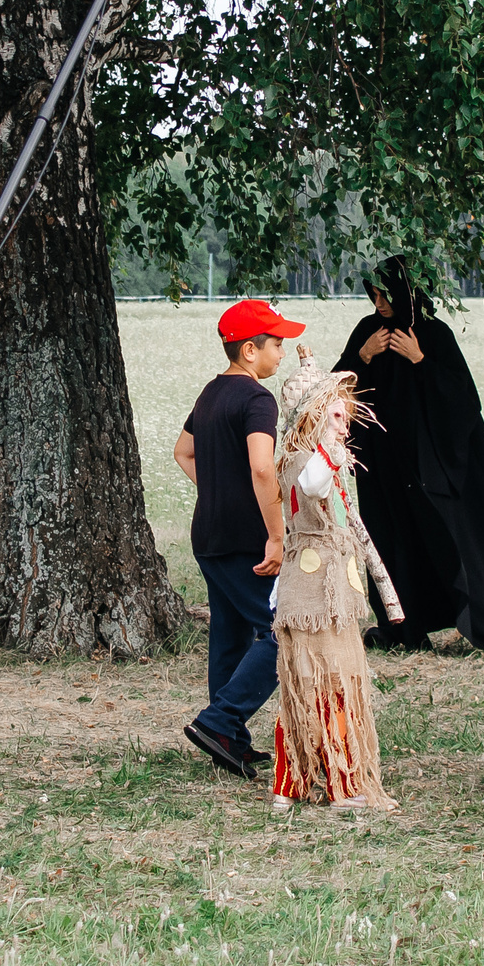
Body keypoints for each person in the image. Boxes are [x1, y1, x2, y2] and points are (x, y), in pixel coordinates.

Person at [332, 257, 484, 650]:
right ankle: (403, 630)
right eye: (373, 295)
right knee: (393, 541)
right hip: (384, 465)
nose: (378, 303)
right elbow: (337, 392)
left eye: (385, 294)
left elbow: (464, 402)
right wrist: (361, 356)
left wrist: (419, 360)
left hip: (433, 465)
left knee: (452, 538)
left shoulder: (434, 334)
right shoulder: (368, 331)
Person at [268, 350, 405, 809]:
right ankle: (342, 785)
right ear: (312, 414)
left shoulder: (323, 459)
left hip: (333, 588)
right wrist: (328, 442)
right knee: (325, 683)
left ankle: (292, 786)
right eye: (336, 412)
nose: (345, 421)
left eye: (346, 413)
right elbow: (311, 485)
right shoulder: (305, 460)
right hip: (314, 590)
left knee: (315, 682)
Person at [174, 299, 299, 778]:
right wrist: (276, 535)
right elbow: (263, 465)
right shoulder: (256, 400)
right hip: (247, 540)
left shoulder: (211, 392)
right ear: (250, 350)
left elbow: (184, 452)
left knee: (230, 634)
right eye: (276, 342)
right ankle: (221, 720)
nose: (282, 351)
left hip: (207, 534)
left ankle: (229, 741)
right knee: (282, 629)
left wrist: (219, 491)